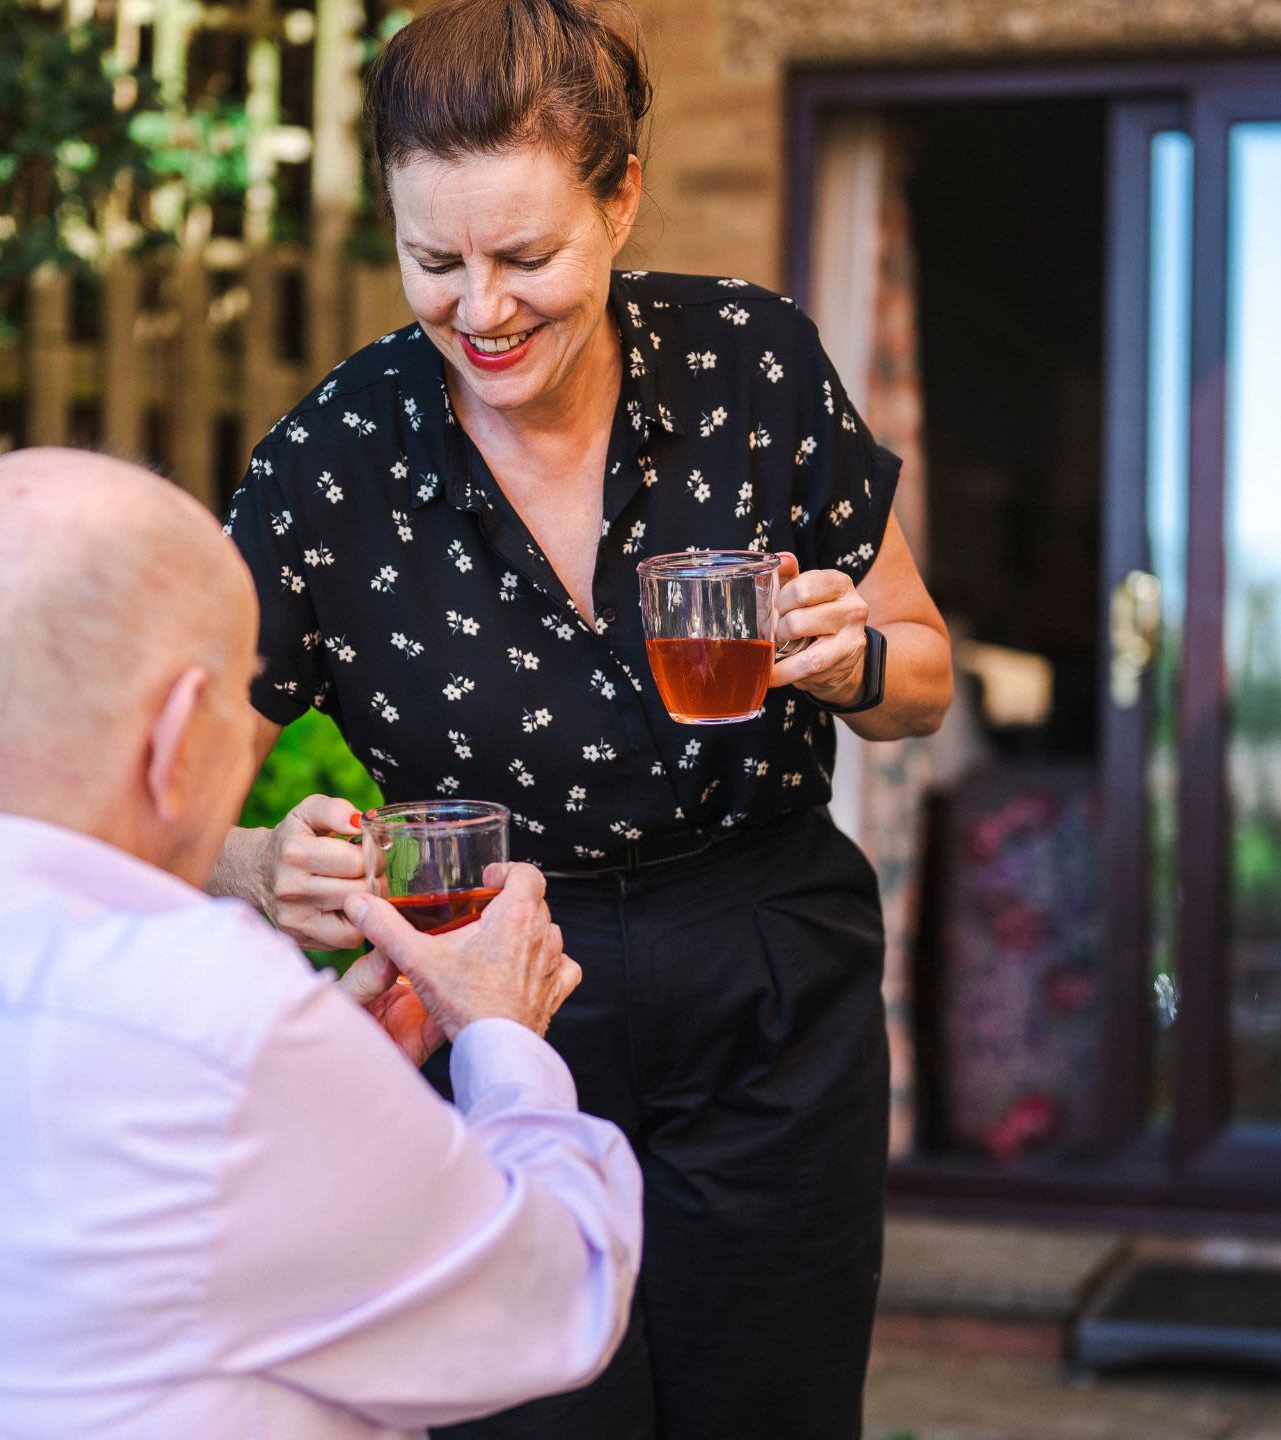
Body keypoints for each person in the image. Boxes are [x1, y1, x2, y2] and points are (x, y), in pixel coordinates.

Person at [211, 2, 951, 1435]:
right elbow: (151, 789)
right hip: (496, 991)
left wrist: (849, 657)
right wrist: (252, 864)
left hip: (764, 979)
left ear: (620, 199)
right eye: (436, 261)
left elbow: (922, 674)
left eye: (525, 256)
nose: (480, 309)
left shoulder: (752, 361)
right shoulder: (332, 459)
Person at [0, 449, 641, 1439]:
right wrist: (501, 1035)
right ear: (174, 742)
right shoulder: (217, 1023)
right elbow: (558, 1299)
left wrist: (334, 1079)